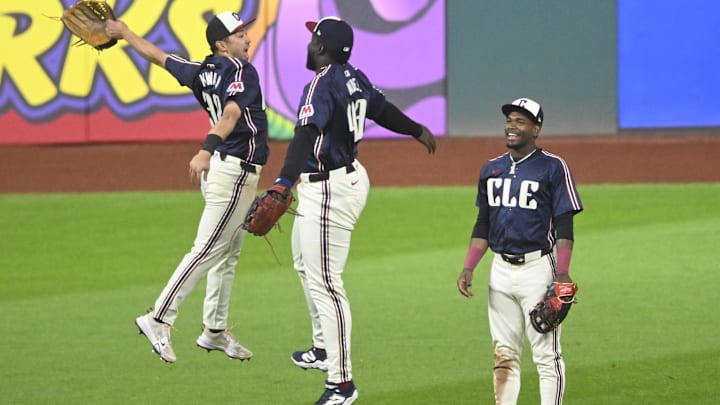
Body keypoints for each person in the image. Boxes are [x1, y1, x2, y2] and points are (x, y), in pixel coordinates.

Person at [262, 16, 436, 404]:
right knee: (305, 265)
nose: (309, 46)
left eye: (313, 40)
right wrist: (414, 128)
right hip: (336, 182)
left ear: (322, 48)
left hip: (331, 191)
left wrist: (282, 182)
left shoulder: (320, 85)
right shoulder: (354, 77)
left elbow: (304, 137)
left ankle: (342, 384)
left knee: (327, 283)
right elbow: (382, 108)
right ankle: (324, 348)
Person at [105, 12, 269, 363]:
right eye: (239, 35)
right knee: (207, 249)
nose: (247, 38)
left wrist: (125, 32)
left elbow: (157, 56)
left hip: (224, 172)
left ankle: (214, 330)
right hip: (233, 171)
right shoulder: (241, 72)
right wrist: (205, 149)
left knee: (227, 252)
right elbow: (230, 116)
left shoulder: (201, 72)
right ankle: (159, 317)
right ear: (222, 45)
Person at [456, 98, 583, 404]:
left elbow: (565, 225)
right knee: (504, 354)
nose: (512, 125)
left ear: (536, 130)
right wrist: (469, 266)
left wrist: (562, 273)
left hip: (538, 270)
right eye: (510, 120)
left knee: (546, 356)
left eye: (521, 121)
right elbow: (483, 222)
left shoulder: (553, 167)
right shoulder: (491, 169)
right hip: (499, 270)